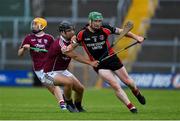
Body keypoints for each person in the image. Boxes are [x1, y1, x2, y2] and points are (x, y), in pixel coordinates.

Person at [71, 11, 146, 113]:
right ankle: (131, 107)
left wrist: (137, 37)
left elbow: (123, 32)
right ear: (90, 21)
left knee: (129, 82)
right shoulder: (82, 33)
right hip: (99, 63)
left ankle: (137, 93)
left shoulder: (105, 28)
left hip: (112, 58)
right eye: (96, 21)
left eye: (99, 21)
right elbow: (74, 43)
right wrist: (69, 45)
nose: (98, 23)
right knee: (115, 85)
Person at [42, 20, 99, 113]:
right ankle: (69, 103)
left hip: (62, 71)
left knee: (80, 89)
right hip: (49, 75)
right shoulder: (60, 44)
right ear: (62, 32)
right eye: (69, 30)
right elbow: (75, 56)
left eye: (73, 30)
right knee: (68, 82)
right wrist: (91, 63)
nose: (72, 32)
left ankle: (78, 106)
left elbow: (82, 40)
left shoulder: (71, 40)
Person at [17, 17, 66, 110]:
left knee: (52, 84)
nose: (33, 25)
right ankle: (64, 97)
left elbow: (56, 50)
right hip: (38, 68)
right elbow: (19, 54)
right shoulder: (28, 38)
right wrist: (24, 48)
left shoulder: (49, 38)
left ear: (41, 26)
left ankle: (63, 104)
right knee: (50, 88)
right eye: (33, 23)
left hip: (49, 66)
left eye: (36, 24)